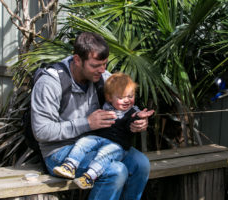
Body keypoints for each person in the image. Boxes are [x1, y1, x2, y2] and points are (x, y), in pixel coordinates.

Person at [31, 32, 154, 200]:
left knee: (141, 164)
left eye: (104, 64)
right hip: (60, 153)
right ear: (77, 60)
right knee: (116, 171)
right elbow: (42, 131)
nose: (102, 70)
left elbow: (124, 100)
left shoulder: (102, 77)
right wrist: (87, 123)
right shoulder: (50, 83)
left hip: (100, 144)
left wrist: (137, 119)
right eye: (96, 65)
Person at [52, 72, 154, 189]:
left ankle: (89, 177)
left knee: (105, 154)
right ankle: (70, 165)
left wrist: (139, 117)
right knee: (84, 142)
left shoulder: (132, 112)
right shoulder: (106, 106)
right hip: (100, 138)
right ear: (110, 98)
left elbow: (132, 122)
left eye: (130, 96)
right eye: (121, 97)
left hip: (117, 145)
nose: (127, 100)